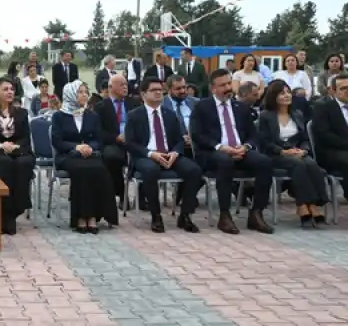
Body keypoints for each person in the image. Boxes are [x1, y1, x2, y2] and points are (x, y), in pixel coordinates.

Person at [190, 68, 274, 235]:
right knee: (224, 161)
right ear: (213, 88)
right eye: (223, 85)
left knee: (265, 163)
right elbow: (197, 135)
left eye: (229, 83)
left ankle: (256, 213)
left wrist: (245, 147)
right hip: (213, 152)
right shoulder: (202, 107)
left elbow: (253, 135)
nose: (228, 87)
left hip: (239, 150)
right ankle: (224, 214)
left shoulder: (240, 107)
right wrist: (221, 147)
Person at [126, 77, 203, 233]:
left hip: (170, 154)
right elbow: (130, 143)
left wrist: (175, 152)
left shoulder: (169, 114)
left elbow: (179, 140)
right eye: (154, 90)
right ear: (143, 94)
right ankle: (156, 216)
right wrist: (151, 154)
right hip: (146, 156)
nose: (158, 93)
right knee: (151, 171)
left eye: (160, 90)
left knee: (194, 170)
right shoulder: (135, 115)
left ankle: (185, 215)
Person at [258, 81, 328, 227]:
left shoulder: (297, 114)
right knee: (299, 165)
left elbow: (304, 138)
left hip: (297, 152)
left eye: (288, 92)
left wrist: (304, 150)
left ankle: (313, 204)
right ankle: (304, 205)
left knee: (310, 163)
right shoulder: (266, 116)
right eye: (282, 93)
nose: (287, 96)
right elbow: (265, 142)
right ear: (274, 96)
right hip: (276, 154)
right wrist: (283, 151)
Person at [51, 81, 118, 233]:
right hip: (68, 155)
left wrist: (89, 147)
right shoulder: (59, 116)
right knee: (82, 170)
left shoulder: (92, 115)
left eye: (85, 92)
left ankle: (94, 216)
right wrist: (76, 147)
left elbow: (98, 138)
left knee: (99, 168)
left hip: (90, 154)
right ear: (71, 95)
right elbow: (57, 141)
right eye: (80, 92)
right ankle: (81, 217)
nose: (85, 95)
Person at [0, 77, 35, 235]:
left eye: (11, 89)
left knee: (23, 164)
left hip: (18, 150)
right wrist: (1, 145)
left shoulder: (21, 113)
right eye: (5, 89)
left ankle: (16, 209)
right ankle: (4, 214)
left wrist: (14, 146)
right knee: (5, 163)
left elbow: (25, 137)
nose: (10, 92)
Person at [95, 75, 140, 203]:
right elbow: (99, 131)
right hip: (114, 142)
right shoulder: (101, 106)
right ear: (111, 87)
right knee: (112, 156)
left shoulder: (134, 103)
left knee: (145, 155)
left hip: (134, 141)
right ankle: (121, 194)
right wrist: (116, 137)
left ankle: (142, 198)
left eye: (126, 84)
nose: (125, 87)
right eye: (121, 85)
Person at [311, 73, 348, 194]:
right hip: (331, 151)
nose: (347, 91)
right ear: (333, 91)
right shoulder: (323, 107)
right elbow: (323, 134)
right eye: (343, 88)